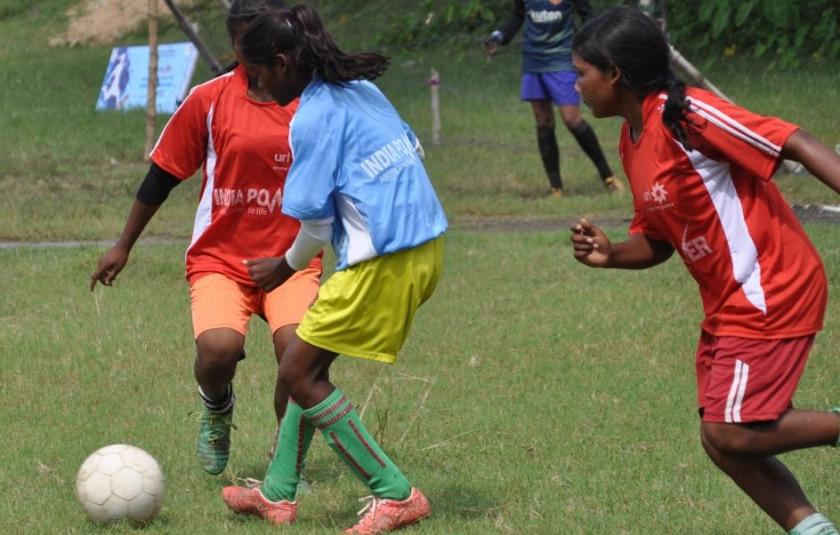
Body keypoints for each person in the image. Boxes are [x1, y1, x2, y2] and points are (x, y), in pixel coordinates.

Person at [568, 7, 840, 535]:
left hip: (771, 286)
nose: (575, 86)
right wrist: (611, 253)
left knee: (733, 431)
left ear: (615, 73)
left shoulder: (687, 114)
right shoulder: (633, 139)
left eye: (582, 73)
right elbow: (659, 240)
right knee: (721, 441)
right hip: (727, 302)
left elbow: (793, 140)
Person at [219, 4, 447, 534]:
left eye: (257, 74)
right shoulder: (362, 88)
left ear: (281, 62)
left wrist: (283, 267)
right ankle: (278, 493)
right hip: (422, 243)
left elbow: (316, 226)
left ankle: (396, 495)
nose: (256, 86)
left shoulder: (313, 116)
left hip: (385, 257)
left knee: (298, 373)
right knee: (305, 365)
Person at [90, 0, 322, 477]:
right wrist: (123, 245)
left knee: (298, 357)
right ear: (235, 41)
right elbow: (162, 176)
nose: (250, 53)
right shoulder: (210, 98)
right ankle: (217, 408)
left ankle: (283, 466)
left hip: (292, 260)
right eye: (242, 42)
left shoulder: (312, 101)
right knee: (217, 349)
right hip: (221, 259)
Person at [483, 0, 624, 197]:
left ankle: (608, 177)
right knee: (543, 121)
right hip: (533, 61)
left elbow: (588, 15)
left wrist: (590, 46)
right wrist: (499, 36)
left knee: (571, 119)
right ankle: (556, 188)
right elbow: (518, 15)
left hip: (561, 59)